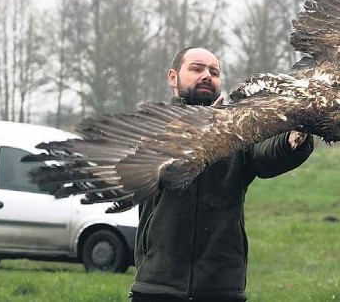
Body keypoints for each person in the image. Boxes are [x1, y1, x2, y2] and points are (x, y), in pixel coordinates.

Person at [129, 47, 314, 302]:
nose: (207, 76)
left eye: (214, 72)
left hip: (222, 287)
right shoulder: (150, 127)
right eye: (196, 69)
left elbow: (265, 156)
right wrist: (203, 127)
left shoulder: (237, 128)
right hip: (158, 285)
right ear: (173, 77)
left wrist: (294, 139)